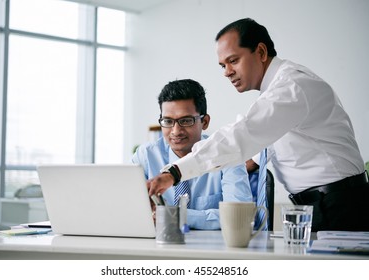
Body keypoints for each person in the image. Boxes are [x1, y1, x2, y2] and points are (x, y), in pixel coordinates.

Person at [147, 18, 369, 232]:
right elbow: (268, 140)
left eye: (233, 61)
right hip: (324, 205)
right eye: (222, 65)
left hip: (339, 206)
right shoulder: (278, 92)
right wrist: (244, 164)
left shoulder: (291, 86)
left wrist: (175, 172)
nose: (227, 72)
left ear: (261, 52)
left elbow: (242, 134)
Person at [133, 79, 252, 230]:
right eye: (168, 121)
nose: (176, 131)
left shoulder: (228, 154)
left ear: (205, 122)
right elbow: (128, 208)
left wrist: (176, 215)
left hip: (212, 250)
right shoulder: (145, 156)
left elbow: (240, 216)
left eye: (186, 121)